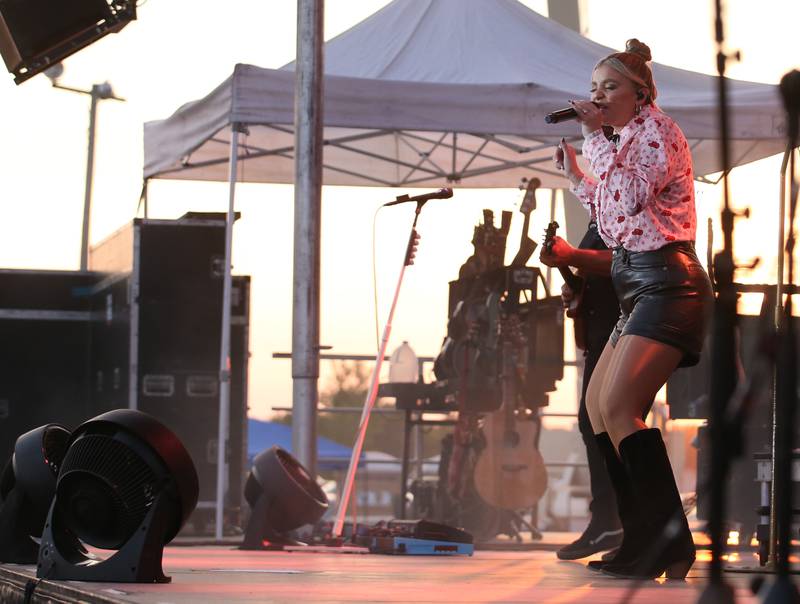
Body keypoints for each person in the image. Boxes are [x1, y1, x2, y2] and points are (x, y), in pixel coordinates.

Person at [552, 39, 713, 579]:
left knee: (622, 408)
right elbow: (612, 216)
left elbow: (624, 202)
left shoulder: (656, 134)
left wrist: (593, 135)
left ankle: (669, 542)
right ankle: (640, 537)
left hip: (670, 285)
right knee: (598, 411)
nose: (597, 96)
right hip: (635, 287)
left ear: (640, 93)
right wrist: (578, 177)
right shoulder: (622, 139)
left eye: (610, 87)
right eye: (594, 88)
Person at [540, 225, 626, 561]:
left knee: (608, 425)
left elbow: (625, 261)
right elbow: (598, 277)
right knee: (597, 426)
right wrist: (575, 287)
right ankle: (612, 521)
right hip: (601, 332)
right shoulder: (598, 217)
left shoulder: (620, 206)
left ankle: (616, 522)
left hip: (620, 329)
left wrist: (572, 257)